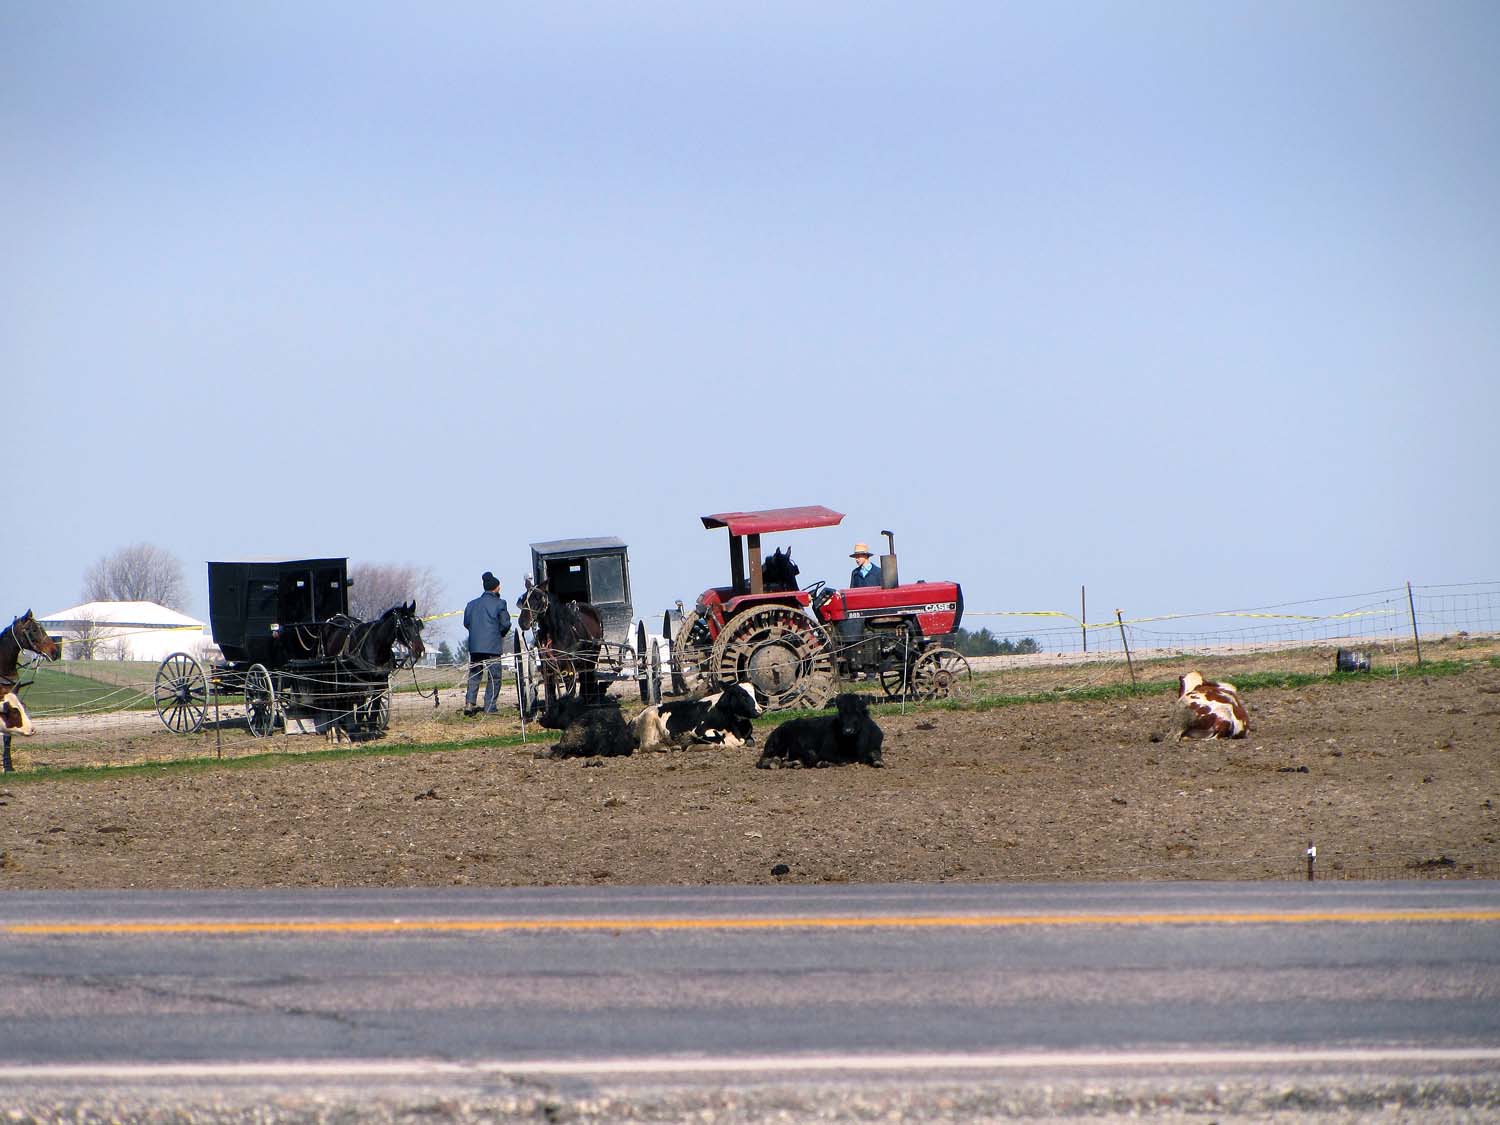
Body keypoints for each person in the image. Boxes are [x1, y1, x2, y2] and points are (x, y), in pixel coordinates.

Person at [463, 571, 511, 715]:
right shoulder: (500, 603)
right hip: (493, 647)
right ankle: (490, 706)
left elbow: (466, 623)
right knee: (494, 676)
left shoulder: (471, 604)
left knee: (474, 675)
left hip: (475, 647)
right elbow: (506, 624)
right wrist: (499, 635)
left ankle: (469, 704)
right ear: (496, 588)